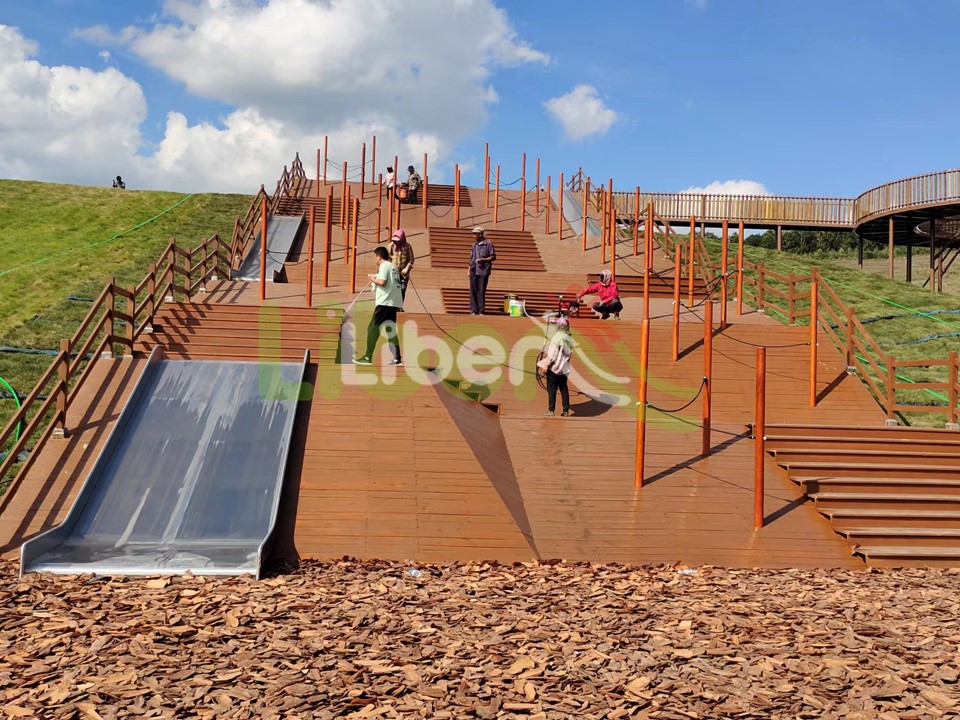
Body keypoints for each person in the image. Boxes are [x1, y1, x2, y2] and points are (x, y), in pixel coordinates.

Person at [354, 246, 403, 366]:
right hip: (393, 303)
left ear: (379, 256)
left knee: (372, 329)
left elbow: (382, 282)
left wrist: (372, 279)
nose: (375, 259)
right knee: (390, 330)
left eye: (375, 256)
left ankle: (368, 357)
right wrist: (376, 278)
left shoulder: (384, 266)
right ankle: (397, 358)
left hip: (384, 303)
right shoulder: (393, 267)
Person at [538, 316, 573, 417]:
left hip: (554, 368)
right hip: (564, 368)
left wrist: (546, 365)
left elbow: (553, 354)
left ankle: (551, 410)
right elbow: (569, 354)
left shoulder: (557, 337)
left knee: (552, 389)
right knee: (563, 388)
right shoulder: (568, 337)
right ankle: (566, 410)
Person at [468, 226, 496, 315]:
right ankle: (473, 310)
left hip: (483, 271)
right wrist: (469, 269)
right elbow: (471, 258)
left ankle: (481, 310)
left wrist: (482, 260)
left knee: (481, 291)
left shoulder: (488, 244)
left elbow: (493, 257)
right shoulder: (474, 245)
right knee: (473, 291)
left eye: (475, 234)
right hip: (473, 269)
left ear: (480, 234)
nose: (473, 235)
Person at [389, 228, 414, 300]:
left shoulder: (408, 246)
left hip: (404, 274)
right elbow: (388, 258)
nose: (396, 242)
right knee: (393, 291)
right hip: (393, 273)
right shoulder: (391, 246)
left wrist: (407, 268)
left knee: (402, 290)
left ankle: (400, 305)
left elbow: (411, 259)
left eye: (398, 240)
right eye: (395, 240)